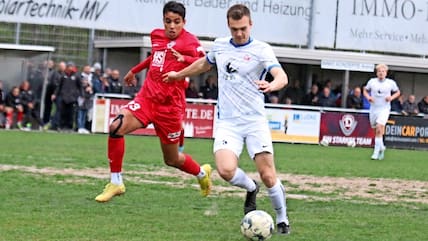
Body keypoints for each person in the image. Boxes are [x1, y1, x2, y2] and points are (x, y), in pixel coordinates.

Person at [163, 4, 291, 235]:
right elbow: (204, 64)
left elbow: (281, 76)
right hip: (228, 122)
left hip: (254, 122)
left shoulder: (262, 50)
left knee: (268, 175)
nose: (239, 33)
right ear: (228, 27)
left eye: (243, 28)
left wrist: (271, 85)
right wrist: (179, 75)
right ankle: (251, 188)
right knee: (225, 170)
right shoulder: (220, 46)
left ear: (250, 24)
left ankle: (282, 218)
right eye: (234, 29)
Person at [95, 1, 211, 203]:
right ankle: (116, 182)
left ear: (184, 22)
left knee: (172, 160)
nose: (172, 26)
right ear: (163, 21)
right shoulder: (156, 35)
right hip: (147, 99)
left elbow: (206, 64)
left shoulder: (191, 42)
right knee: (116, 127)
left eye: (176, 22)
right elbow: (155, 57)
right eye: (168, 21)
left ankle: (202, 174)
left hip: (170, 108)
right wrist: (134, 70)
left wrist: (183, 60)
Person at [363, 64, 400, 160]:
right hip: (374, 109)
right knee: (376, 131)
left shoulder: (390, 83)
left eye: (383, 71)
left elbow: (398, 92)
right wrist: (368, 97)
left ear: (386, 73)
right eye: (379, 71)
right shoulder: (372, 82)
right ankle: (382, 147)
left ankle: (375, 153)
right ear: (377, 72)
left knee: (380, 128)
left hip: (384, 109)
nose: (381, 73)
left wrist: (391, 98)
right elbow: (365, 90)